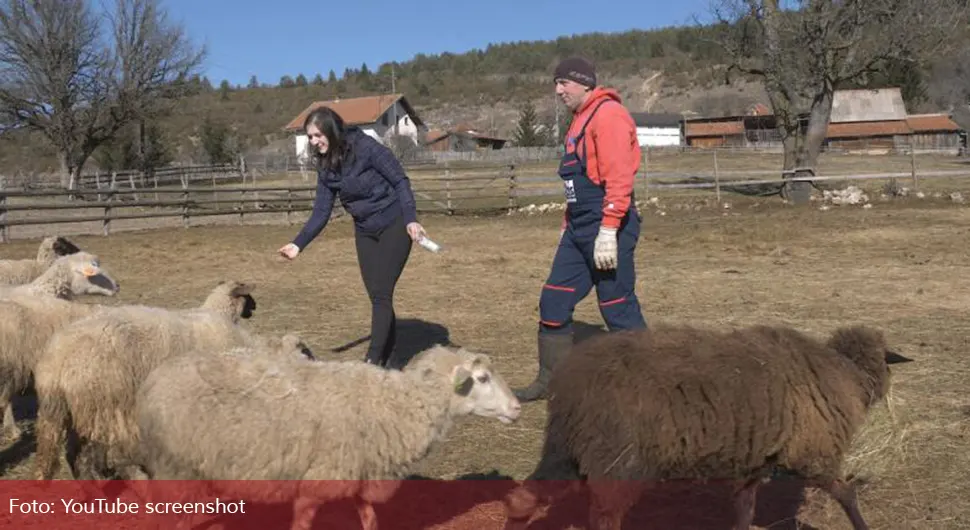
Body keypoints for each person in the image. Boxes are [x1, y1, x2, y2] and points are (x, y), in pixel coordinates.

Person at [513, 56, 648, 402]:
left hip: (609, 225)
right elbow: (577, 183)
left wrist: (608, 230)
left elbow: (619, 177)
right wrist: (566, 224)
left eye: (564, 83)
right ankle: (550, 382)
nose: (558, 90)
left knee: (617, 305)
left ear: (585, 83)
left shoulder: (609, 116)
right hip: (578, 228)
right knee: (554, 300)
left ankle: (650, 386)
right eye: (556, 83)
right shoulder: (578, 122)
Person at [278, 106, 428, 368]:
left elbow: (400, 181)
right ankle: (387, 359)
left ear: (331, 130)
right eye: (310, 137)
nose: (313, 142)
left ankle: (371, 361)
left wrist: (411, 218)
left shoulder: (366, 148)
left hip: (394, 223)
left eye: (316, 135)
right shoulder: (326, 165)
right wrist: (297, 243)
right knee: (377, 297)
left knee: (381, 294)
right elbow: (321, 211)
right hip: (364, 230)